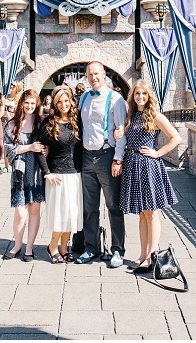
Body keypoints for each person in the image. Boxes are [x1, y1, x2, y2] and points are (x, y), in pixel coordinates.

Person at [117, 79, 181, 273]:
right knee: (142, 214)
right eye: (137, 93)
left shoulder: (155, 116)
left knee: (151, 213)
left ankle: (152, 255)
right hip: (133, 163)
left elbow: (176, 138)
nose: (140, 97)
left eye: (144, 93)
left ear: (149, 95)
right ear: (133, 96)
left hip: (148, 166)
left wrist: (158, 153)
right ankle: (143, 254)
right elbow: (125, 137)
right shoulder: (132, 115)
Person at [75, 61, 128, 268]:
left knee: (113, 206)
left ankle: (118, 250)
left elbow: (121, 131)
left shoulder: (116, 99)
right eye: (89, 74)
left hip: (107, 156)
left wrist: (118, 159)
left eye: (96, 73)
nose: (93, 77)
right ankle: (91, 247)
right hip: (88, 156)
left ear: (104, 74)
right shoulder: (84, 98)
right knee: (89, 207)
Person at [37, 85, 83, 264]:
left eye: (67, 101)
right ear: (55, 104)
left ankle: (64, 249)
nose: (64, 104)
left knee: (71, 215)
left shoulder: (76, 121)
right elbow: (40, 149)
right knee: (60, 215)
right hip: (57, 175)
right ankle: (53, 247)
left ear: (71, 102)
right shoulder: (49, 123)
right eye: (60, 102)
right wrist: (46, 172)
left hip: (75, 173)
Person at [3, 89, 45, 262]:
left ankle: (29, 248)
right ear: (22, 103)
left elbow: (47, 145)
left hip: (36, 171)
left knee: (34, 210)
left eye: (32, 103)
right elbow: (8, 149)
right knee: (20, 212)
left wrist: (45, 150)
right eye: (26, 102)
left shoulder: (41, 123)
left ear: (37, 105)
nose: (29, 106)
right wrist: (29, 147)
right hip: (20, 171)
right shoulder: (13, 124)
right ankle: (17, 245)